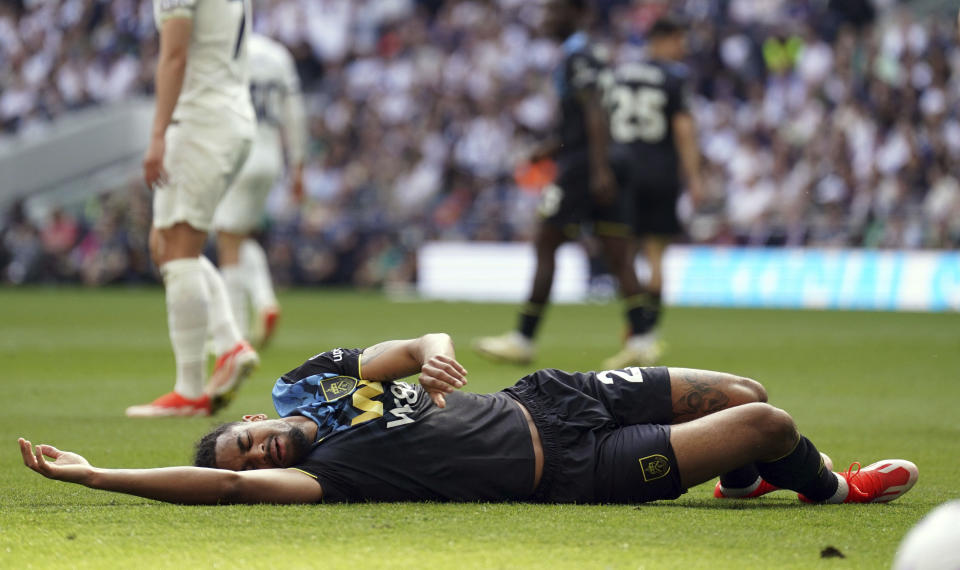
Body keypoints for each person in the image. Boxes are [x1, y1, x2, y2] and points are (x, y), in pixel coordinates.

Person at [20, 333, 918, 505]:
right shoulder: (329, 478)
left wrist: (437, 350)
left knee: (745, 392)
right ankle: (831, 487)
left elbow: (412, 345)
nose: (254, 446)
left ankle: (742, 478)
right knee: (773, 422)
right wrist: (98, 473)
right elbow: (218, 485)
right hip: (577, 474)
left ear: (260, 413)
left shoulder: (321, 396)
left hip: (558, 396)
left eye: (246, 433)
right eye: (247, 455)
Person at [473, 0, 646, 367]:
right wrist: (550, 149)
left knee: (546, 241)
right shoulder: (591, 54)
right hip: (606, 158)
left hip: (586, 166)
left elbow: (594, 111)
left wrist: (596, 168)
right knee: (618, 252)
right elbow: (584, 123)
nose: (546, 18)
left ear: (577, 13)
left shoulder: (578, 54)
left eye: (554, 11)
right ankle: (643, 339)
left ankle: (523, 338)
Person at [129, 0, 259, 417]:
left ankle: (189, 390)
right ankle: (229, 345)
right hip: (231, 115)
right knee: (165, 244)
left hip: (200, 119)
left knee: (179, 251)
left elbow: (175, 54)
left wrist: (157, 134)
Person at [601, 15, 705, 369]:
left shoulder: (618, 74)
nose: (683, 49)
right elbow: (683, 128)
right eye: (680, 40)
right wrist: (694, 177)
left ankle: (635, 329)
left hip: (621, 171)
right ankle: (647, 335)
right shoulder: (674, 78)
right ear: (666, 39)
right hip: (660, 172)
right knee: (656, 256)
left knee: (625, 254)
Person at [211, 33, 308, 349]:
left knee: (227, 239)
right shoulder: (278, 54)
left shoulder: (225, 48)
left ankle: (232, 336)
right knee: (242, 236)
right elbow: (295, 113)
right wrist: (298, 165)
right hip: (270, 157)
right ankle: (264, 300)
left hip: (237, 154)